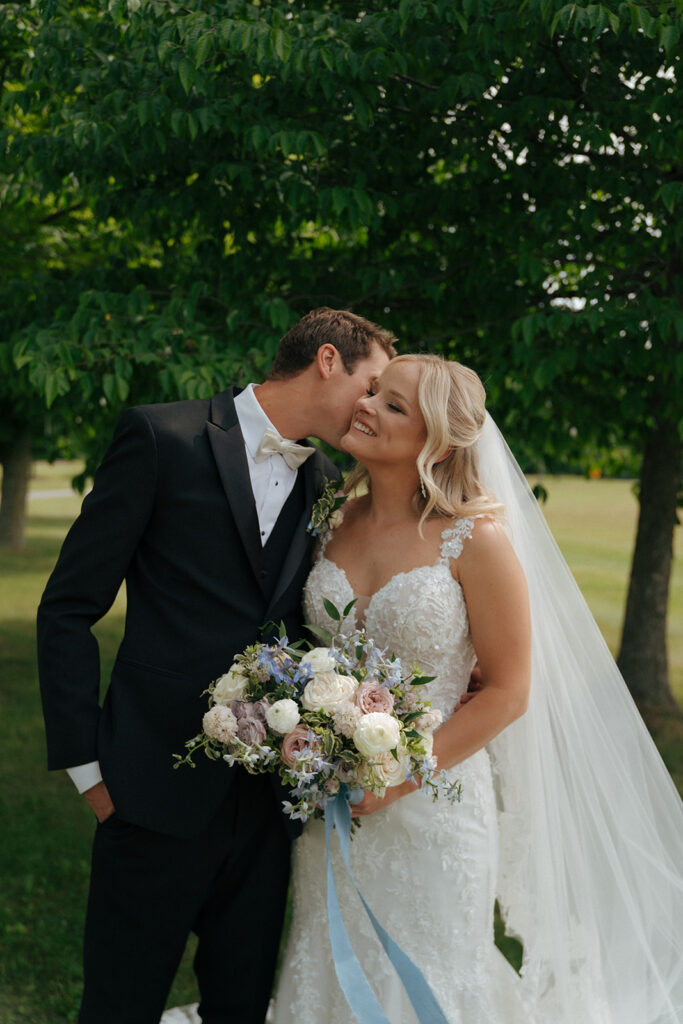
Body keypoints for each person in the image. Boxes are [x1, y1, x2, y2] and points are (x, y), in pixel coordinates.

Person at [272, 353, 683, 1024]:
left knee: (430, 970)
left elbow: (507, 691)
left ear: (435, 440)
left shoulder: (474, 540)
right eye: (373, 391)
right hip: (332, 800)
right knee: (326, 956)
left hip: (436, 802)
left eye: (394, 405)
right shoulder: (328, 523)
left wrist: (395, 779)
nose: (367, 405)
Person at [36, 307, 395, 1024]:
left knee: (242, 1009)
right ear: (328, 359)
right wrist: (89, 771)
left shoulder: (325, 481)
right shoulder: (160, 437)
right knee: (118, 1006)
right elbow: (67, 608)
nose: (374, 407)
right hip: (148, 788)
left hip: (265, 810)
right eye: (373, 383)